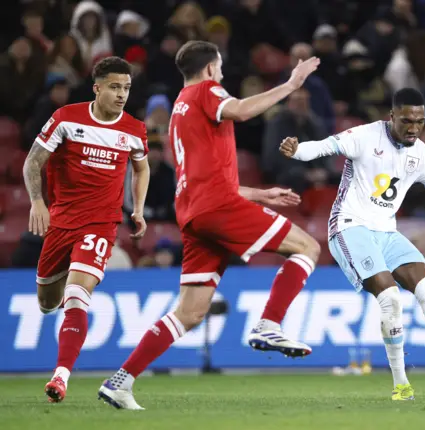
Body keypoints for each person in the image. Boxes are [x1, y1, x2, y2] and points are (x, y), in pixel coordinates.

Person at [98, 41, 321, 410]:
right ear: (209, 70)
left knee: (190, 312)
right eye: (219, 69)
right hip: (217, 207)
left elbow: (205, 176)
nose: (221, 75)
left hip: (195, 213)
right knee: (307, 247)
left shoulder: (178, 110)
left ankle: (120, 381)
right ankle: (270, 324)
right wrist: (291, 85)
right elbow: (243, 110)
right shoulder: (207, 91)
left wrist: (259, 194)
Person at [279, 88, 425, 400]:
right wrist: (297, 151)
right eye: (406, 121)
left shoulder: (422, 155)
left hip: (387, 232)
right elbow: (324, 148)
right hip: (350, 227)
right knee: (390, 298)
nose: (413, 128)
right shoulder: (365, 136)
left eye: (419, 122)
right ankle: (401, 384)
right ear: (391, 117)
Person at [22, 57, 149, 403]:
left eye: (126, 88)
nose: (122, 94)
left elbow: (141, 168)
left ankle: (60, 377)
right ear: (97, 87)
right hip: (61, 222)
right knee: (48, 302)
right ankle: (67, 287)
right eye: (114, 87)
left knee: (78, 295)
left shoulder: (134, 130)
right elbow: (33, 160)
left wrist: (137, 209)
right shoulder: (66, 118)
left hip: (101, 223)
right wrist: (37, 202)